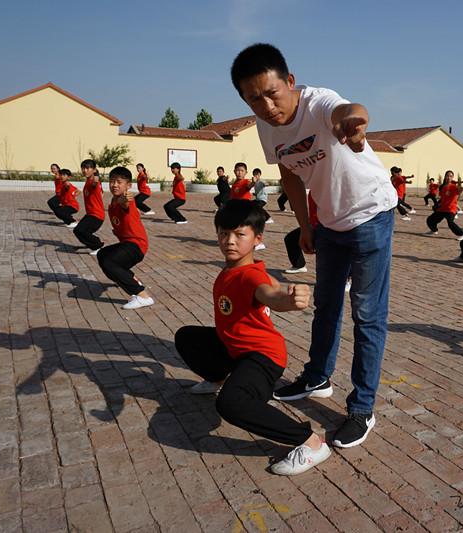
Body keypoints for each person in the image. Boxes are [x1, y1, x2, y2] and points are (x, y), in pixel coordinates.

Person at [231, 43, 398, 448]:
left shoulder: (320, 103)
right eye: (254, 99)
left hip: (372, 214)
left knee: (367, 314)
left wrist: (355, 123)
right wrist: (305, 224)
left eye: (272, 92)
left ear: (290, 82)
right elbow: (289, 172)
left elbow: (349, 111)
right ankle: (318, 375)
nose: (267, 106)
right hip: (330, 223)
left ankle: (362, 408)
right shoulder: (265, 127)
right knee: (325, 304)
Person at [174, 200, 329, 475]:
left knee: (231, 404)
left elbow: (270, 294)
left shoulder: (250, 277)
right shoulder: (232, 268)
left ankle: (311, 442)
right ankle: (220, 379)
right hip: (234, 350)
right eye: (224, 233)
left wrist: (290, 301)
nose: (229, 241)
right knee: (187, 337)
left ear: (257, 239)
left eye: (239, 235)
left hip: (264, 357)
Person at [98, 166, 154, 310]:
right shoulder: (113, 202)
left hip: (136, 245)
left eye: (119, 182)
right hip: (128, 243)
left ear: (128, 185)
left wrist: (125, 199)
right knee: (102, 254)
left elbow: (126, 202)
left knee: (110, 262)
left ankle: (143, 296)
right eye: (112, 181)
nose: (114, 185)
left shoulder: (125, 200)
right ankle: (130, 279)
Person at [73, 159, 106, 255]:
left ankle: (98, 246)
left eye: (87, 168)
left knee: (80, 230)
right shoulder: (88, 180)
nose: (85, 170)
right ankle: (93, 243)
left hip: (96, 215)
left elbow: (95, 184)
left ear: (94, 170)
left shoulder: (93, 181)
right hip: (91, 214)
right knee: (78, 231)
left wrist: (96, 181)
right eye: (83, 168)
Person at [284, 192, 318, 274]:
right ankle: (299, 265)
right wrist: (306, 228)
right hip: (315, 225)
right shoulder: (315, 190)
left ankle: (347, 278)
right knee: (291, 238)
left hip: (331, 227)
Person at [426, 170, 463, 237]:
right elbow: (443, 198)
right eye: (447, 176)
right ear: (445, 177)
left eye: (450, 176)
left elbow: (460, 189)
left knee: (450, 223)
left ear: (452, 177)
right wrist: (438, 205)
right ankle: (434, 230)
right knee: (430, 220)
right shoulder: (443, 187)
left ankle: (462, 235)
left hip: (450, 209)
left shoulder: (453, 186)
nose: (448, 177)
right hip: (442, 209)